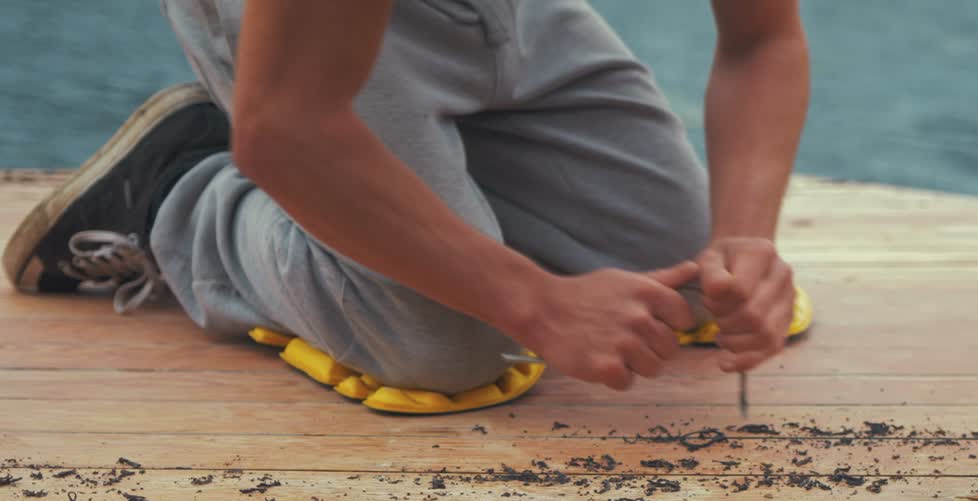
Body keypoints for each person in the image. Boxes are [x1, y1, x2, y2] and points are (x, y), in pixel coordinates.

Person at [4, 0, 808, 398]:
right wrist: (534, 302)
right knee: (447, 348)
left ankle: (415, 181)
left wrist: (748, 240)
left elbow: (762, 38)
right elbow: (287, 127)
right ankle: (180, 187)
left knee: (688, 276)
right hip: (294, 46)